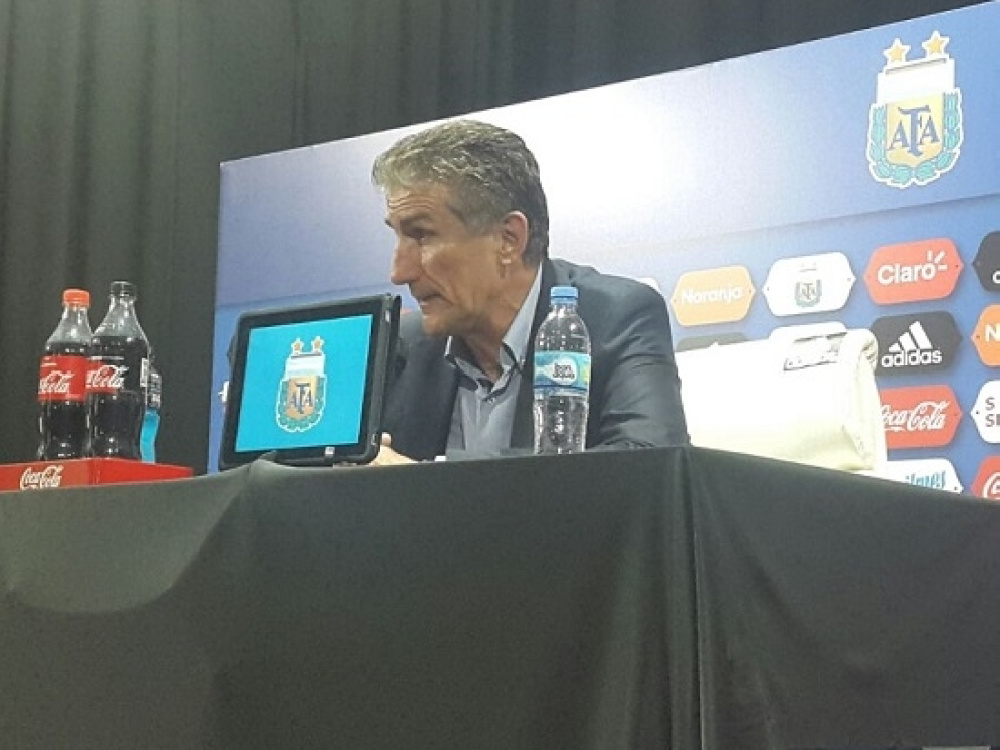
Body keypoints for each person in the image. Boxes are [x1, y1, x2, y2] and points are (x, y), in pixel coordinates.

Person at [370, 119, 688, 465]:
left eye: (422, 236)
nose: (399, 272)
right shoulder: (400, 345)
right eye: (397, 237)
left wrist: (421, 478)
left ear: (509, 239)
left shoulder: (616, 317)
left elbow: (654, 461)